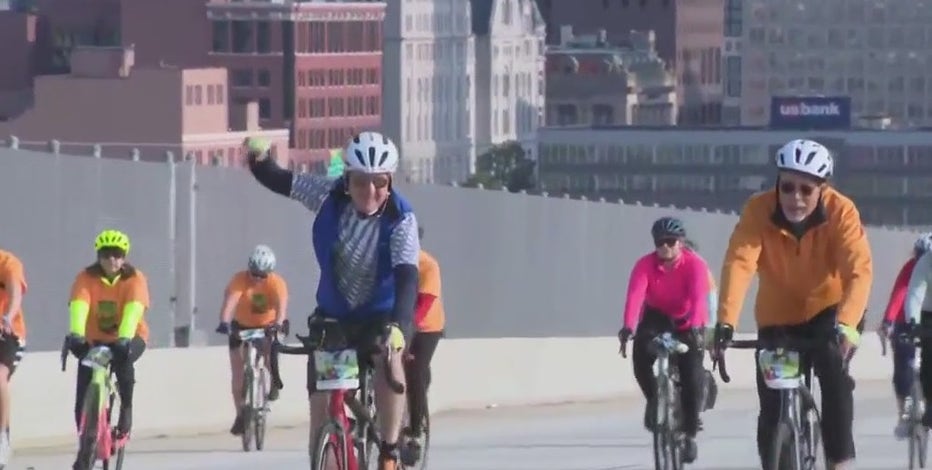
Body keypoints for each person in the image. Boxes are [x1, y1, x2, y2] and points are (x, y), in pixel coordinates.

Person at [244, 133, 418, 470]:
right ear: (346, 179)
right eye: (360, 182)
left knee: (389, 359)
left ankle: (389, 449)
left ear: (390, 180)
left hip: (381, 315)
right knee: (322, 404)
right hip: (335, 315)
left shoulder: (401, 218)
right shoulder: (327, 195)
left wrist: (399, 328)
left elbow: (408, 277)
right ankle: (323, 452)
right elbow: (280, 180)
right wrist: (258, 158)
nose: (370, 191)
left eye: (379, 182)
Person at [713, 138, 871, 470]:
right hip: (778, 316)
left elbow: (858, 270)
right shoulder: (758, 210)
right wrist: (726, 322)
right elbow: (740, 262)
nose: (795, 198)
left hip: (833, 310)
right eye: (787, 187)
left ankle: (840, 461)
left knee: (834, 373)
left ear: (822, 189)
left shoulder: (842, 211)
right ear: (777, 184)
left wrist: (847, 326)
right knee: (771, 405)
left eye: (805, 189)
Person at [618, 216, 710, 464]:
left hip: (686, 318)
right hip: (656, 317)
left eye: (671, 242)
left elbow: (700, 298)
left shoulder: (695, 265)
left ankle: (689, 432)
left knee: (692, 376)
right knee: (640, 357)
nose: (666, 247)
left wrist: (696, 329)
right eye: (661, 243)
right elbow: (636, 295)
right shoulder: (645, 265)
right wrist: (627, 327)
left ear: (680, 242)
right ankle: (655, 400)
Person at [66, 229, 150, 447]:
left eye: (117, 254)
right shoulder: (86, 278)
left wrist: (124, 338)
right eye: (106, 254)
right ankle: (86, 441)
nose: (112, 259)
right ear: (98, 256)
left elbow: (134, 310)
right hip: (95, 340)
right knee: (84, 389)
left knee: (123, 362)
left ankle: (126, 412)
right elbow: (79, 305)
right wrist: (76, 334)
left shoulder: (134, 279)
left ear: (124, 256)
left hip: (130, 336)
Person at [215, 244, 289, 436]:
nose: (257, 278)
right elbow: (231, 300)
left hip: (268, 326)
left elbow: (281, 307)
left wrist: (279, 324)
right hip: (243, 326)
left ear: (269, 273)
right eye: (254, 273)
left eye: (262, 275)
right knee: (238, 373)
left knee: (269, 353)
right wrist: (224, 321)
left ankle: (274, 381)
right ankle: (240, 414)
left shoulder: (276, 283)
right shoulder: (240, 280)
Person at [882, 232, 932, 438]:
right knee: (926, 360)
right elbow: (912, 293)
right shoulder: (923, 264)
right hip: (927, 313)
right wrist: (913, 323)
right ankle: (921, 406)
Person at [402, 224, 444, 464]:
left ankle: (415, 429)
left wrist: (407, 330)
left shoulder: (428, 265)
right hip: (399, 322)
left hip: (427, 327)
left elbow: (425, 303)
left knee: (414, 369)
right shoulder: (391, 262)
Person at [0, 250, 26, 466]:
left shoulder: (8, 263)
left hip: (7, 333)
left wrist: (7, 316)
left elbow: (15, 293)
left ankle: (1, 440)